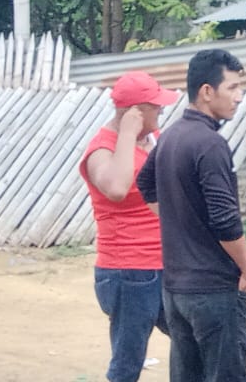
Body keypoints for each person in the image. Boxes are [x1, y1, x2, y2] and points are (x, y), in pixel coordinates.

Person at [136, 49, 246, 382]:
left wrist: (181, 220)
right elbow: (225, 220)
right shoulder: (209, 143)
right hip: (212, 288)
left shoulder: (171, 136)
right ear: (206, 91)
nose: (239, 97)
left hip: (176, 290)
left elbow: (145, 184)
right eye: (232, 88)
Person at [80, 71, 181, 382]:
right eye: (155, 106)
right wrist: (126, 134)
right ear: (134, 112)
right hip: (128, 271)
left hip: (166, 263)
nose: (161, 110)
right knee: (128, 361)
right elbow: (117, 188)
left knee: (192, 339)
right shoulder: (102, 149)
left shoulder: (154, 139)